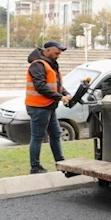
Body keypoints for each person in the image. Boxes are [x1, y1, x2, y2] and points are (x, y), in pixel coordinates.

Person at [25, 41, 71, 174]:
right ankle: (35, 167)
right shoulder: (38, 65)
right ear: (48, 51)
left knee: (56, 134)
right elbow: (40, 86)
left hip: (48, 106)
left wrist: (66, 93)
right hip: (38, 107)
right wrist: (59, 97)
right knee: (37, 137)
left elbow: (55, 84)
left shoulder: (50, 64)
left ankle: (61, 162)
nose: (58, 56)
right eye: (56, 53)